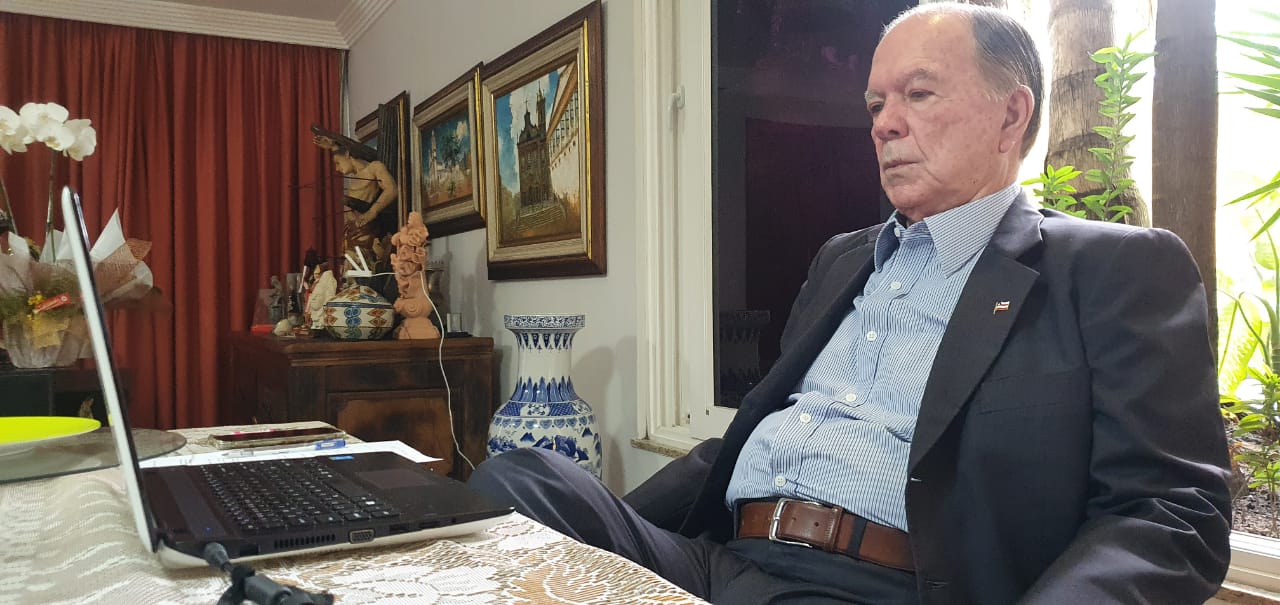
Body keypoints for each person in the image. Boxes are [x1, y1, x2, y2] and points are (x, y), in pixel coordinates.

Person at [468, 4, 1232, 604]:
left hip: (874, 584)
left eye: (918, 94)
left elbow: (1173, 511)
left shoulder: (1114, 267)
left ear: (1012, 114)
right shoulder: (842, 259)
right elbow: (752, 432)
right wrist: (609, 538)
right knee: (524, 480)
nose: (884, 123)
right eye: (875, 104)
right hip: (720, 560)